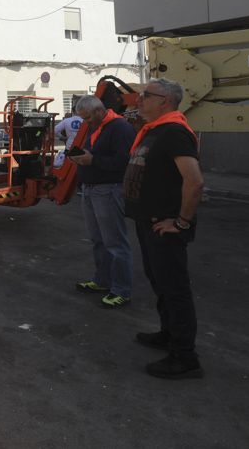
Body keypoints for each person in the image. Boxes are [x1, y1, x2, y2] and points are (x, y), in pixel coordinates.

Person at [123, 78, 205, 379]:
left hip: (164, 225)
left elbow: (194, 181)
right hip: (148, 222)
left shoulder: (174, 132)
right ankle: (168, 333)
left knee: (175, 289)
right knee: (159, 283)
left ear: (165, 101)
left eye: (146, 95)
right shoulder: (154, 130)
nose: (139, 99)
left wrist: (181, 222)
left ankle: (185, 357)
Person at [69, 95, 136, 308]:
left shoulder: (120, 128)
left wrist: (92, 160)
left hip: (108, 190)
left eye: (88, 118)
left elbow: (124, 162)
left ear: (99, 111)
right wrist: (82, 158)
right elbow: (97, 153)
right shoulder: (97, 126)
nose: (86, 123)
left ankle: (121, 290)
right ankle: (102, 280)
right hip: (91, 190)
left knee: (115, 242)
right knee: (98, 240)